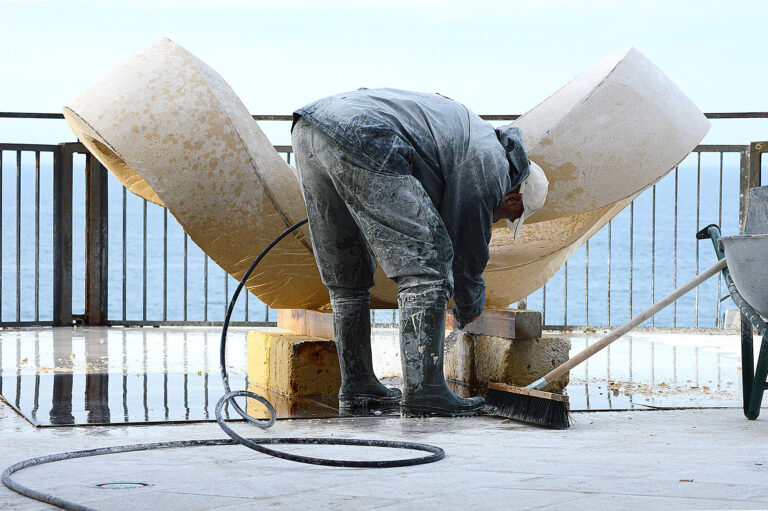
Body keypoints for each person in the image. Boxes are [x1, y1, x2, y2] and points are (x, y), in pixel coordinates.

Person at [291, 88, 548, 416]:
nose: (498, 219)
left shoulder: (471, 140)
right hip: (364, 133)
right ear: (513, 198)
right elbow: (466, 239)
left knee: (346, 271)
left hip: (311, 128)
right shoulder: (492, 161)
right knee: (428, 267)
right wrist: (469, 302)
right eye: (507, 215)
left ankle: (358, 385)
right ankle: (425, 392)